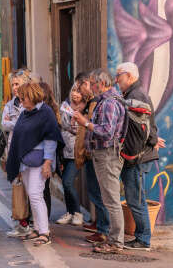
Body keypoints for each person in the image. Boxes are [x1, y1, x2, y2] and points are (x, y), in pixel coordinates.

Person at [73, 69, 127, 254]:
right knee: (109, 199)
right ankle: (113, 239)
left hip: (107, 155)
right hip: (105, 154)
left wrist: (85, 122)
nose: (92, 88)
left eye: (93, 84)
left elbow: (106, 131)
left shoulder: (109, 103)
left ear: (102, 84)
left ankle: (116, 242)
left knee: (111, 200)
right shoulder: (108, 101)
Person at [116, 62, 165, 251]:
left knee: (136, 198)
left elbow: (142, 130)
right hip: (139, 156)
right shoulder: (133, 95)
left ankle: (143, 239)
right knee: (136, 197)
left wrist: (133, 154)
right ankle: (141, 237)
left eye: (119, 76)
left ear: (129, 76)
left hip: (138, 158)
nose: (117, 80)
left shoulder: (136, 96)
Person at [6, 83, 62, 247]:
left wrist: (47, 163)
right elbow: (18, 137)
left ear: (32, 96)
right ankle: (37, 228)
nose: (21, 102)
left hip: (40, 161)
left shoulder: (46, 112)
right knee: (32, 195)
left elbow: (51, 139)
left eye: (23, 98)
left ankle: (45, 232)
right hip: (26, 162)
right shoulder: (25, 113)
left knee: (36, 194)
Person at [74, 72, 110, 244]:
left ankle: (103, 230)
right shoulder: (91, 102)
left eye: (81, 86)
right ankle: (100, 225)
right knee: (96, 193)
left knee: (98, 193)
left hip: (95, 153)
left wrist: (83, 119)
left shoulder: (98, 102)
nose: (81, 90)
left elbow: (97, 128)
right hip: (90, 152)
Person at [1, 70, 31, 238]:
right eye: (12, 84)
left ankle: (35, 223)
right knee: (17, 186)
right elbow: (4, 125)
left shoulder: (32, 103)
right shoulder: (9, 105)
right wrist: (19, 123)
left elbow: (30, 125)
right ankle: (22, 223)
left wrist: (15, 123)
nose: (14, 88)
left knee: (32, 188)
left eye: (17, 84)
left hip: (30, 151)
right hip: (14, 150)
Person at [56, 84, 86, 226]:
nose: (75, 94)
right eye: (73, 90)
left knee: (68, 182)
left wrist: (72, 124)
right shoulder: (65, 106)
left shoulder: (85, 108)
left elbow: (81, 128)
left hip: (77, 151)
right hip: (64, 150)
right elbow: (62, 124)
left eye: (79, 92)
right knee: (65, 183)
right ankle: (70, 212)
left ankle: (78, 213)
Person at [39, 82, 59, 218]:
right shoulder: (41, 109)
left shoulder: (47, 111)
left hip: (46, 155)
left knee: (43, 188)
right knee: (41, 189)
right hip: (41, 155)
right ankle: (42, 219)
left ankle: (44, 219)